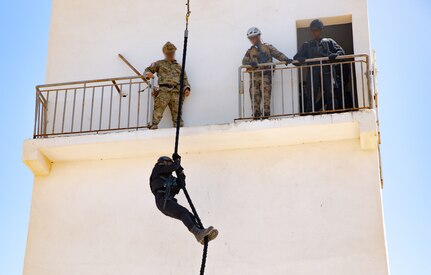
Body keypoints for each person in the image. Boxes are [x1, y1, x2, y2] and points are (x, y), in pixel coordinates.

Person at [149, 155, 219, 244]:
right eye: (170, 162)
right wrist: (177, 161)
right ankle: (198, 233)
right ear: (164, 162)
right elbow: (173, 167)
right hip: (163, 201)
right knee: (183, 212)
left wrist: (180, 170)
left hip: (167, 202)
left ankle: (201, 233)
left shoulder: (169, 179)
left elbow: (181, 184)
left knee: (187, 214)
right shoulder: (157, 169)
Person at [294, 19, 345, 112]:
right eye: (312, 30)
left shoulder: (329, 42)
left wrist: (335, 55)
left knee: (330, 93)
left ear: (321, 30)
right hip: (313, 72)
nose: (314, 33)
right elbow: (295, 59)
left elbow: (342, 52)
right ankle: (309, 114)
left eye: (316, 30)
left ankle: (332, 111)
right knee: (311, 94)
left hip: (327, 71)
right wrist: (300, 59)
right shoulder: (307, 45)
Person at [242, 27, 293, 118]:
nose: (253, 39)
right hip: (254, 78)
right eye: (251, 38)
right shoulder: (250, 51)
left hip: (265, 77)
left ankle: (266, 116)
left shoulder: (267, 47)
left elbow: (277, 54)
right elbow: (244, 62)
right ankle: (256, 116)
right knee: (254, 97)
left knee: (266, 97)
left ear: (259, 36)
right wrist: (250, 63)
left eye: (254, 37)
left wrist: (286, 59)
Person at [144, 42, 191, 130]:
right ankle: (153, 125)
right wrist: (148, 74)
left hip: (176, 92)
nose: (170, 55)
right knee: (158, 109)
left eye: (172, 53)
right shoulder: (159, 64)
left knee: (177, 112)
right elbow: (148, 70)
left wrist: (186, 88)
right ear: (165, 53)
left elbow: (184, 79)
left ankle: (179, 129)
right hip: (164, 90)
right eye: (168, 53)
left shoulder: (179, 67)